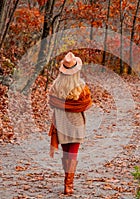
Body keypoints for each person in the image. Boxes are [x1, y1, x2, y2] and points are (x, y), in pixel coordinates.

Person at [48, 52, 92, 195]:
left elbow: (52, 103)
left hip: (61, 122)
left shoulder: (56, 85)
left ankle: (67, 182)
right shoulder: (81, 86)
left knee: (66, 153)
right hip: (76, 123)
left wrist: (62, 106)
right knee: (72, 154)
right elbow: (86, 105)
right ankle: (69, 185)